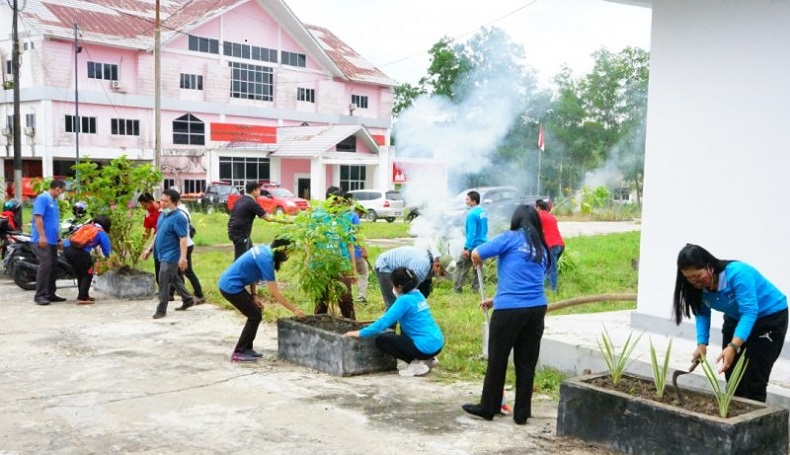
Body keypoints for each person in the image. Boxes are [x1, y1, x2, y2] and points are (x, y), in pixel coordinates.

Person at [462, 204, 550, 425]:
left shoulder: (510, 238)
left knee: (498, 359)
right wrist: (496, 300)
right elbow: (529, 279)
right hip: (536, 309)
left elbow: (476, 252)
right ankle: (521, 413)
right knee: (526, 362)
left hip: (510, 311)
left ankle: (488, 407)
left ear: (516, 221)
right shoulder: (543, 247)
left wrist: (476, 261)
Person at [673, 244, 788, 402]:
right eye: (688, 278)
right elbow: (702, 313)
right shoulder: (696, 286)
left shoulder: (738, 274)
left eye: (698, 276)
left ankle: (755, 422)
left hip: (768, 318)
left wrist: (733, 346)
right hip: (736, 318)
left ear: (709, 267)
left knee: (754, 378)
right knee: (732, 375)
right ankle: (734, 419)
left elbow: (749, 312)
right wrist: (701, 344)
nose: (694, 282)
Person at [344, 267, 445, 377]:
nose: (393, 288)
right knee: (405, 329)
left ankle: (416, 364)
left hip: (424, 348)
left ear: (399, 287)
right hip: (437, 343)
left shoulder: (403, 300)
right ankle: (429, 359)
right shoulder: (418, 295)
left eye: (393, 285)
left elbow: (383, 323)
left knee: (382, 340)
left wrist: (359, 333)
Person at [219, 238, 304, 362]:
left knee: (256, 312)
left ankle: (247, 349)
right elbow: (275, 294)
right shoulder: (266, 260)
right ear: (281, 250)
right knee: (254, 316)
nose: (287, 256)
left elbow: (253, 273)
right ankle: (239, 352)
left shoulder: (264, 249)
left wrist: (254, 296)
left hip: (231, 283)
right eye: (288, 252)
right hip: (230, 287)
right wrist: (295, 310)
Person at [142, 189, 195, 319]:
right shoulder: (163, 215)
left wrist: (183, 258)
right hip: (161, 253)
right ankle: (187, 299)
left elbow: (183, 238)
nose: (162, 203)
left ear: (174, 203)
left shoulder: (179, 218)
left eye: (166, 201)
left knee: (164, 279)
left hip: (171, 255)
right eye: (161, 200)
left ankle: (161, 309)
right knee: (173, 277)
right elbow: (157, 233)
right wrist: (149, 249)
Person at [311, 186, 357, 319]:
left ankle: (352, 328)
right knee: (321, 301)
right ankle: (319, 330)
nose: (338, 205)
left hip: (341, 264)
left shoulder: (346, 218)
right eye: (335, 201)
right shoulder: (317, 217)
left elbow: (350, 244)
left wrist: (353, 268)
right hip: (321, 265)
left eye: (340, 202)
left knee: (346, 299)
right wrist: (309, 263)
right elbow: (310, 242)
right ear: (328, 200)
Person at [31, 179, 67, 306]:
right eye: (62, 191)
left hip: (52, 240)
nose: (62, 193)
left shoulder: (54, 202)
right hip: (42, 240)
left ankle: (50, 293)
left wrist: (58, 239)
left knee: (53, 266)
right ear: (57, 189)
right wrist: (42, 236)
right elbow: (38, 217)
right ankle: (39, 295)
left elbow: (53, 223)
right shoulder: (43, 198)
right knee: (45, 265)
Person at [63, 215, 112, 304]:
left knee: (80, 273)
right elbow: (107, 250)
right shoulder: (100, 232)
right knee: (87, 273)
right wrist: (108, 259)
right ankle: (82, 297)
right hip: (80, 252)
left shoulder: (85, 226)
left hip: (67, 248)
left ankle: (83, 295)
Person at [375, 245, 441, 310]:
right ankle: (389, 320)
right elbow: (407, 291)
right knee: (393, 305)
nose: (442, 277)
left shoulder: (433, 260)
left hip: (400, 270)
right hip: (385, 265)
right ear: (437, 266)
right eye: (442, 273)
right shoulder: (421, 269)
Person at [454, 190, 488, 293]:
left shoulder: (472, 214)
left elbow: (472, 233)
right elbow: (485, 228)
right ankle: (476, 288)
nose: (466, 201)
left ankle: (457, 288)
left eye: (467, 199)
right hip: (482, 244)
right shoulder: (483, 212)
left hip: (473, 245)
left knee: (462, 265)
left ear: (473, 201)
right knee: (478, 267)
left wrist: (466, 248)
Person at [227, 181, 271, 260]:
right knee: (240, 260)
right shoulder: (251, 203)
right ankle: (234, 272)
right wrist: (288, 220)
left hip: (235, 231)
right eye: (258, 190)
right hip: (241, 234)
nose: (259, 192)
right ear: (254, 191)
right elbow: (268, 218)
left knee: (251, 254)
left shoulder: (240, 200)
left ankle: (254, 271)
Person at [176, 200, 205, 305]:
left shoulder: (180, 211)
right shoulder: (183, 209)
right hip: (187, 244)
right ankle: (185, 295)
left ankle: (199, 295)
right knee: (179, 272)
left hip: (185, 245)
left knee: (187, 272)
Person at [535, 199, 565, 292]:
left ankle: (554, 290)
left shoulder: (539, 216)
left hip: (551, 246)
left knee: (551, 269)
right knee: (547, 267)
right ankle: (547, 287)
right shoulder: (551, 217)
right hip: (560, 245)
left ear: (538, 208)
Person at [138, 193, 164, 291]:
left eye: (145, 205)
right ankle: (161, 288)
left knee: (166, 265)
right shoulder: (148, 213)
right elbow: (147, 231)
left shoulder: (164, 208)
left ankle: (170, 289)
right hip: (156, 241)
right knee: (157, 264)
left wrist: (149, 248)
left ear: (151, 202)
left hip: (166, 240)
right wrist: (139, 244)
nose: (144, 208)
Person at [352, 204, 369, 303]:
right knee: (363, 273)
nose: (361, 215)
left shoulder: (343, 216)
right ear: (358, 211)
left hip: (343, 254)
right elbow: (358, 236)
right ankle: (361, 296)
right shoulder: (354, 217)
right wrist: (364, 250)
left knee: (347, 276)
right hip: (356, 253)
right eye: (362, 213)